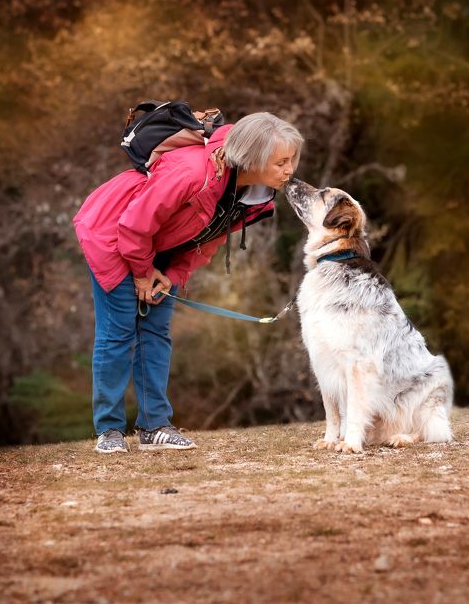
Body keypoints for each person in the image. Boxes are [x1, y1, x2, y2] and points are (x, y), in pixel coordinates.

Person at [73, 112, 303, 453]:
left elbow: (208, 241)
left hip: (158, 247)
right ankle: (109, 431)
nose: (289, 171)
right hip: (114, 234)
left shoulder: (255, 195)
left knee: (156, 332)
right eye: (281, 162)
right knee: (119, 332)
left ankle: (154, 427)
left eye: (292, 161)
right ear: (252, 157)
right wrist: (141, 271)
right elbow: (134, 225)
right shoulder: (193, 171)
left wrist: (174, 275)